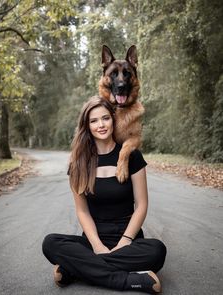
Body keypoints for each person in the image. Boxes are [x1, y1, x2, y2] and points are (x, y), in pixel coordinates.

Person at [42, 96, 166, 294]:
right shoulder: (78, 163)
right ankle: (129, 281)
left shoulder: (131, 155)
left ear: (113, 120)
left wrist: (125, 241)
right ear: (87, 125)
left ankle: (76, 269)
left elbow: (142, 205)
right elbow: (82, 211)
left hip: (129, 239)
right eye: (94, 120)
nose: (101, 125)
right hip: (92, 240)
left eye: (105, 118)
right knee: (50, 243)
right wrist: (97, 246)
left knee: (157, 250)